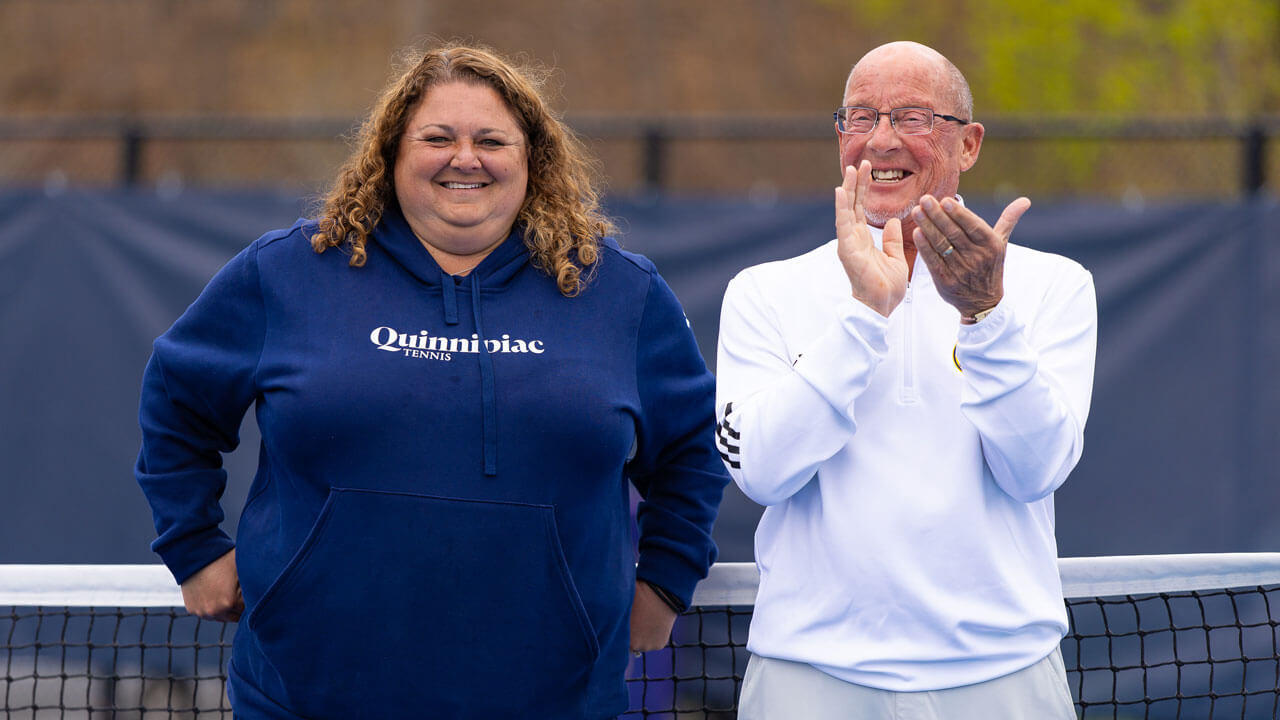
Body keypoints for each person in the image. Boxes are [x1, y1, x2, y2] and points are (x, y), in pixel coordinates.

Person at [135, 43, 728, 719]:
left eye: (491, 141)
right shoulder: (288, 271)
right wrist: (195, 549)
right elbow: (178, 401)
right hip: (306, 697)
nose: (464, 158)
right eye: (437, 138)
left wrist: (665, 583)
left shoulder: (621, 293)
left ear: (532, 159)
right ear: (392, 153)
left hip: (554, 700)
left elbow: (693, 450)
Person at [715, 41, 1096, 718]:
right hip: (809, 676)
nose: (881, 140)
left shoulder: (1056, 285)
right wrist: (865, 315)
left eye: (912, 117)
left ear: (968, 144)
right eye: (860, 117)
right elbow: (762, 474)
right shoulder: (762, 291)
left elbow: (1036, 470)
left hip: (1004, 673)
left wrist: (984, 313)